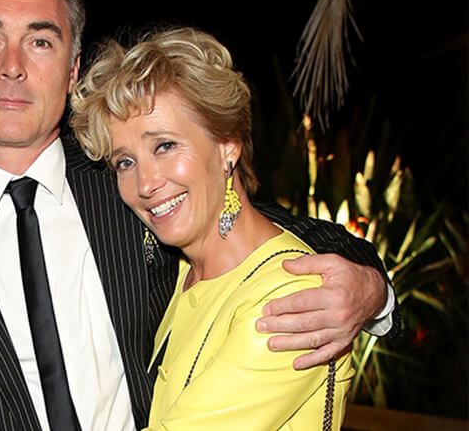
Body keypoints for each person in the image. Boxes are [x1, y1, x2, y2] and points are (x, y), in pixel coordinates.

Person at [0, 0, 397, 430]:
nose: (13, 67)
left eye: (40, 41)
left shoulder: (128, 187)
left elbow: (258, 232)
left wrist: (371, 292)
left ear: (72, 68)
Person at [70, 26, 355, 430]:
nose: (145, 184)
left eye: (165, 146)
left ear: (228, 145)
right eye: (125, 163)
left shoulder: (292, 301)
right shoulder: (181, 273)